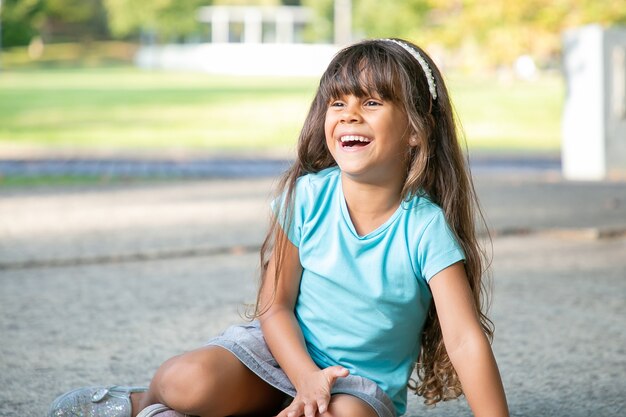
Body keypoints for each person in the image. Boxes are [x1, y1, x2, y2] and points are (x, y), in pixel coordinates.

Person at [48, 38, 509, 417]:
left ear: (415, 130)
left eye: (371, 102)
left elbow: (464, 339)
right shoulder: (306, 198)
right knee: (183, 380)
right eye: (338, 102)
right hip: (278, 356)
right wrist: (304, 376)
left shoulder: (424, 228)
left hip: (357, 390)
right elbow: (275, 307)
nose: (349, 114)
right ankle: (139, 403)